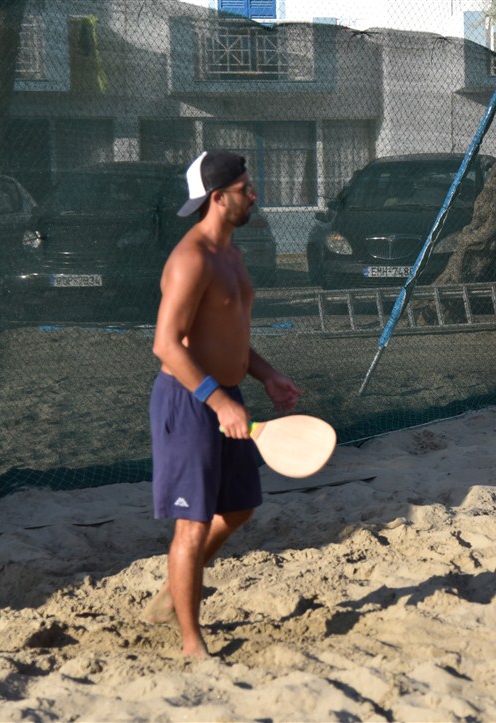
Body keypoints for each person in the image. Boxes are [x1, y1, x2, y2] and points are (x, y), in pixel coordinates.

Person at [144, 150, 303, 657]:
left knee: (237, 509)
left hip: (224, 396)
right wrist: (217, 402)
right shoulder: (191, 259)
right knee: (192, 524)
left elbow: (226, 336)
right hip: (189, 401)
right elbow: (166, 344)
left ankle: (173, 591)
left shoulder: (231, 254)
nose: (253, 195)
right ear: (217, 197)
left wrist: (267, 375)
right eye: (244, 189)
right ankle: (191, 642)